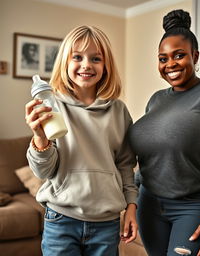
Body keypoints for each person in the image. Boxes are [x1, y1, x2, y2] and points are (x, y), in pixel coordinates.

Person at [128, 9, 200, 256]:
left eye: (179, 55)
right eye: (163, 58)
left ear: (195, 55)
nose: (170, 64)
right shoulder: (156, 100)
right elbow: (148, 159)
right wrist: (130, 201)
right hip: (149, 205)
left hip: (192, 206)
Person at [25, 25, 138, 256]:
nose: (86, 65)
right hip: (61, 220)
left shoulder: (119, 111)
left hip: (106, 223)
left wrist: (131, 208)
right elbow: (44, 171)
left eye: (96, 58)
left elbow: (126, 165)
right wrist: (39, 137)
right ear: (65, 62)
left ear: (106, 66)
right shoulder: (51, 107)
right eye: (77, 57)